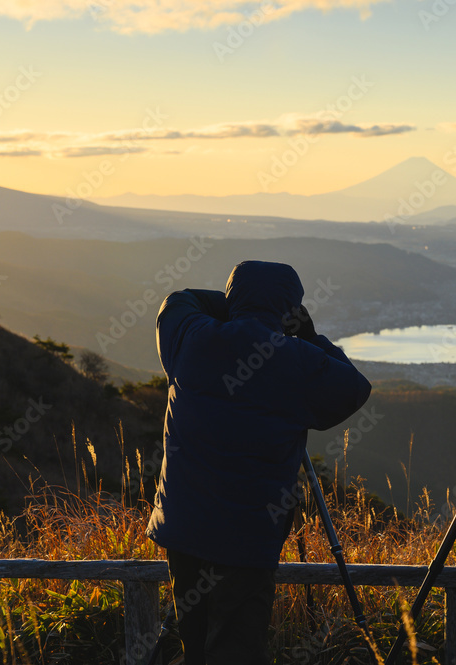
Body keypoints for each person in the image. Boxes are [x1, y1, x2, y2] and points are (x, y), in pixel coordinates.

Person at [145, 260, 372, 665]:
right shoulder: (297, 359)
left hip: (183, 525)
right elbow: (354, 388)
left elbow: (177, 301)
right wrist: (307, 333)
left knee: (193, 643)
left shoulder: (191, 337)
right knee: (237, 648)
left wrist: (238, 308)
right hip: (245, 537)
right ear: (291, 308)